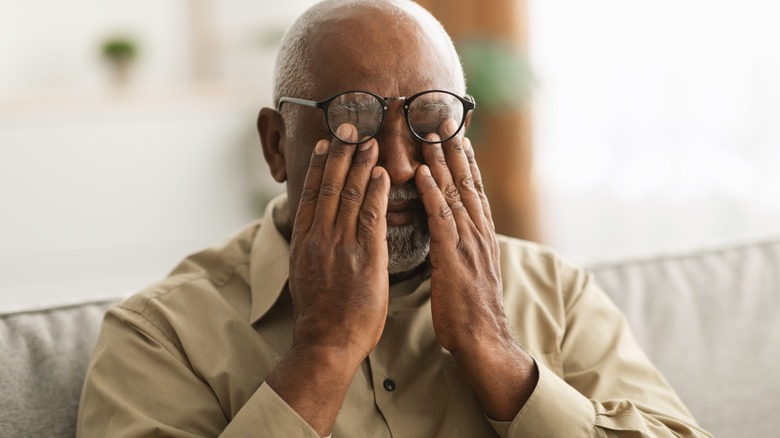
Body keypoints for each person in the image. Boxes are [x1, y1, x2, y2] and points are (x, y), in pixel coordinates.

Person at [77, 1, 712, 436]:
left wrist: (495, 352)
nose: (404, 165)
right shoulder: (160, 334)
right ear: (276, 145)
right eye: (355, 120)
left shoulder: (557, 292)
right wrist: (323, 352)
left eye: (431, 118)